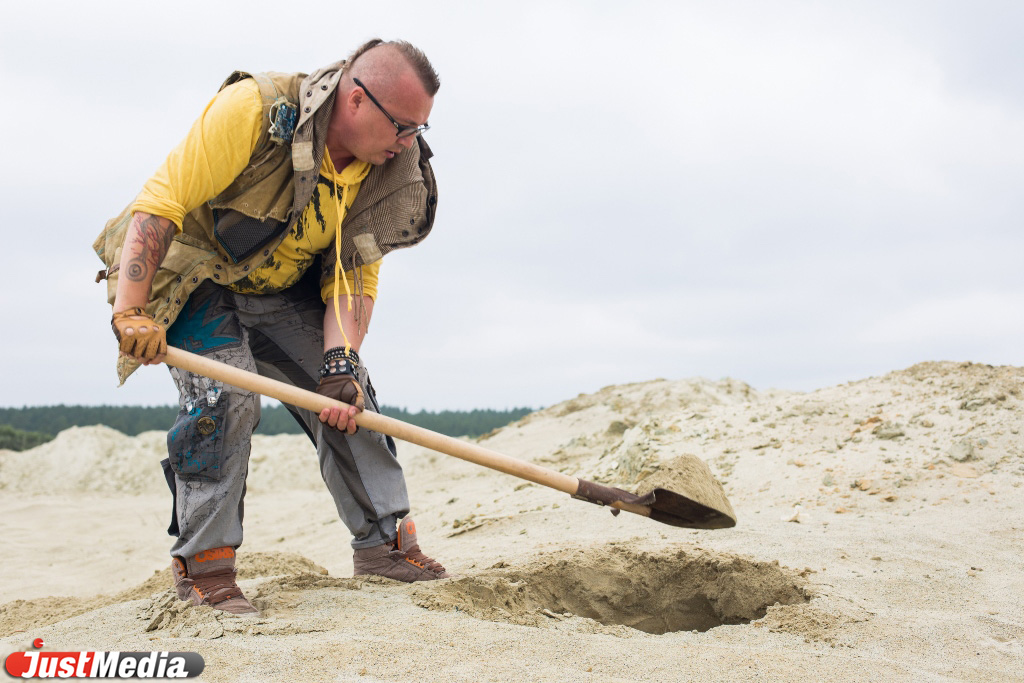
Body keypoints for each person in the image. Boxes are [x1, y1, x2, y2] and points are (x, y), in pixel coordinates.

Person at [93, 39, 449, 617]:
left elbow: (354, 274)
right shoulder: (255, 111)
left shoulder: (387, 169)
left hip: (279, 286)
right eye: (404, 127)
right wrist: (130, 309)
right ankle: (205, 568)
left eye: (420, 129)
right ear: (357, 101)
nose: (411, 143)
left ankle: (385, 546)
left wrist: (340, 363)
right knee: (226, 396)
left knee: (352, 398)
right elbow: (160, 204)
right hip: (197, 274)